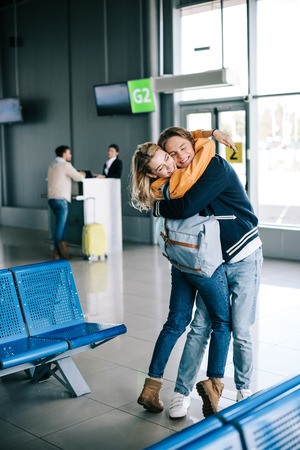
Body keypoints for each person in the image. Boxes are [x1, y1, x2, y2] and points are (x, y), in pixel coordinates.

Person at [154, 126, 263, 418]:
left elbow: (188, 206)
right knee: (200, 327)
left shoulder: (215, 166)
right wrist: (210, 131)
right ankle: (181, 393)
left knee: (240, 329)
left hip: (243, 255)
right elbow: (172, 149)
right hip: (210, 260)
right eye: (173, 154)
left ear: (194, 144)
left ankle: (243, 389)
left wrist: (155, 206)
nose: (180, 156)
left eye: (183, 148)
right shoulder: (181, 175)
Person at [131, 134, 232, 419]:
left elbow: (191, 145)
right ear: (150, 173)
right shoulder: (180, 182)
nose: (170, 166)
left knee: (175, 322)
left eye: (168, 158)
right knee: (222, 322)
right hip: (204, 261)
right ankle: (213, 383)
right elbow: (199, 161)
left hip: (180, 260)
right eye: (161, 166)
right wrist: (209, 136)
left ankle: (151, 387)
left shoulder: (156, 189)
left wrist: (207, 134)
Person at [47, 145, 86, 260]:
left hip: (51, 199)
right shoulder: (65, 165)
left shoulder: (52, 165)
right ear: (64, 154)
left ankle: (63, 251)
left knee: (62, 226)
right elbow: (78, 177)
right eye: (69, 153)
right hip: (61, 200)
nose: (70, 155)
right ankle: (55, 252)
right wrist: (83, 174)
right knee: (60, 227)